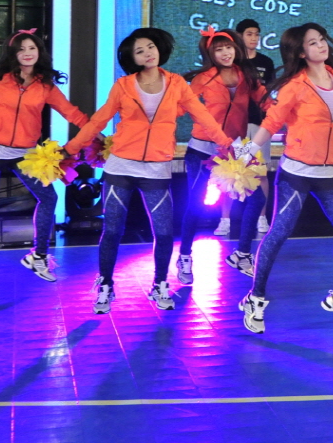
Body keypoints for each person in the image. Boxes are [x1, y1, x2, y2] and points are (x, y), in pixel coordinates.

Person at [66, 28, 232, 314]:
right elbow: (98, 121)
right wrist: (71, 149)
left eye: (151, 47)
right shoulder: (123, 85)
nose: (147, 53)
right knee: (112, 230)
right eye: (140, 51)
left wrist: (226, 143)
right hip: (121, 166)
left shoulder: (176, 83)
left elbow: (203, 116)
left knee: (165, 232)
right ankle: (105, 285)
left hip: (157, 168)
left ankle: (159, 284)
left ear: (159, 49)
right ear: (132, 58)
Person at [237, 23, 333, 333]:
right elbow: (272, 121)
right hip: (296, 174)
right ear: (301, 52)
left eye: (322, 40)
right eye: (313, 43)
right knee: (279, 232)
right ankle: (255, 298)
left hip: (329, 174)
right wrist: (248, 150)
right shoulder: (295, 85)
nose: (321, 46)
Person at [0, 30, 89, 286]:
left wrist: (96, 133)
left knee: (49, 197)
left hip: (25, 154)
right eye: (21, 49)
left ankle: (38, 256)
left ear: (39, 51)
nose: (27, 53)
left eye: (32, 48)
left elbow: (72, 114)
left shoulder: (45, 86)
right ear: (13, 53)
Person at [176, 29, 270, 285]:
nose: (225, 53)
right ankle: (184, 256)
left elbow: (266, 102)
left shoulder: (246, 76)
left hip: (236, 149)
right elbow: (181, 108)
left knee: (257, 198)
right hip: (202, 149)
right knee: (196, 204)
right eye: (218, 50)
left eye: (228, 47)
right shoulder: (202, 79)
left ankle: (242, 253)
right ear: (210, 54)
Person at [236, 18, 276, 235]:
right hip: (236, 125)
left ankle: (261, 217)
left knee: (261, 172)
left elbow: (269, 93)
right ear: (239, 36)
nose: (254, 38)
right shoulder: (232, 61)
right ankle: (226, 218)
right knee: (231, 171)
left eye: (256, 34)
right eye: (249, 34)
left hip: (260, 124)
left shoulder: (266, 62)